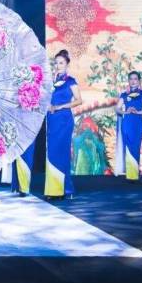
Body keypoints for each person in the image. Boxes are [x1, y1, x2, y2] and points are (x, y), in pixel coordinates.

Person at [45, 49, 82, 199]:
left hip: (64, 119)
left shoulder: (70, 81)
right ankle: (54, 189)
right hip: (52, 119)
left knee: (62, 152)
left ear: (67, 64)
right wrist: (47, 105)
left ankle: (64, 189)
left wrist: (60, 107)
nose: (58, 65)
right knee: (52, 152)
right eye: (56, 63)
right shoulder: (50, 82)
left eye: (61, 63)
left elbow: (79, 100)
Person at [114, 71, 142, 182]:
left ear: (139, 81)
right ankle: (130, 175)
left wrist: (140, 112)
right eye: (131, 79)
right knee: (128, 147)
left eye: (135, 79)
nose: (133, 81)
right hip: (127, 123)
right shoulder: (124, 95)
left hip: (138, 122)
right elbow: (117, 108)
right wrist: (125, 112)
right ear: (128, 81)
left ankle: (134, 174)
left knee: (136, 146)